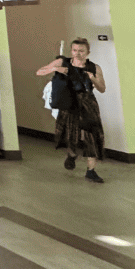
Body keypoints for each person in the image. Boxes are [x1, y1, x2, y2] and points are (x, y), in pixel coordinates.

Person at [37, 37, 107, 183]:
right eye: (75, 50)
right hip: (68, 102)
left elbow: (102, 89)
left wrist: (93, 79)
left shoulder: (94, 67)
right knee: (69, 135)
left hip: (88, 102)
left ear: (88, 52)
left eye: (81, 51)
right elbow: (40, 72)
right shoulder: (63, 62)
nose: (77, 53)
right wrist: (56, 69)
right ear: (71, 51)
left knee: (93, 135)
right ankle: (71, 154)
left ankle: (91, 171)